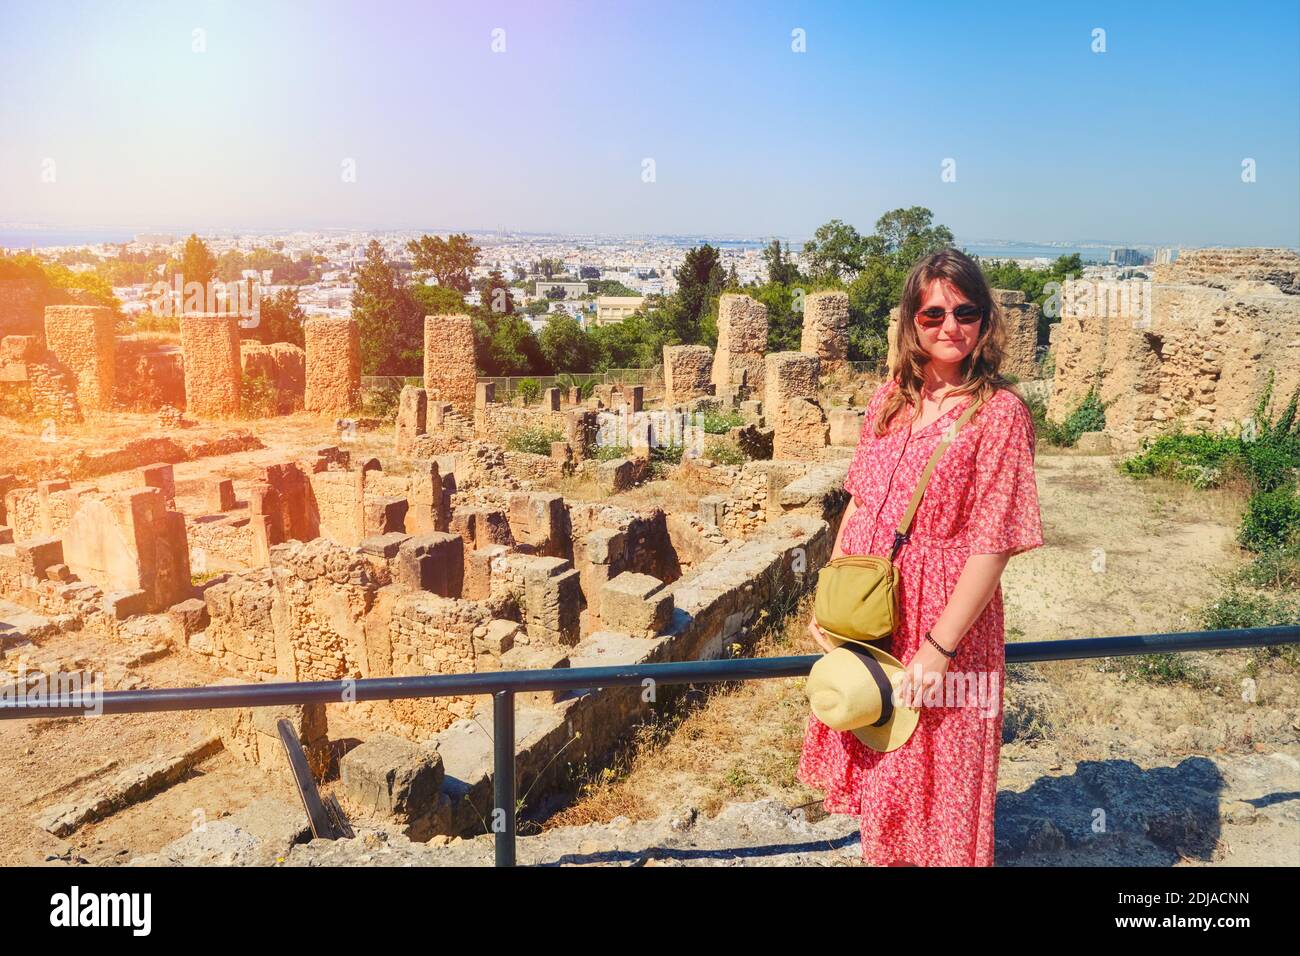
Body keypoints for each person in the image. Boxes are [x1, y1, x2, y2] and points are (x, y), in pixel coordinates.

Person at [797, 247, 1045, 867]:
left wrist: (939, 648)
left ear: (986, 321)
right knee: (883, 770)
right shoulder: (890, 399)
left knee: (939, 777)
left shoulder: (1000, 414)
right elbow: (859, 505)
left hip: (944, 616)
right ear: (910, 321)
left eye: (965, 311)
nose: (949, 326)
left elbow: (994, 544)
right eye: (932, 314)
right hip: (874, 608)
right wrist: (833, 598)